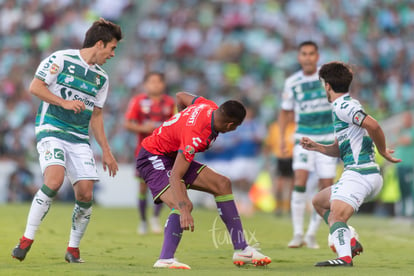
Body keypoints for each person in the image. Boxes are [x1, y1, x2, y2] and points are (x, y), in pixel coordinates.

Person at [11, 18, 122, 263]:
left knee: (85, 193)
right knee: (54, 179)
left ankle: (73, 249)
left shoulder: (101, 78)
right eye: (112, 48)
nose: (113, 54)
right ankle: (26, 239)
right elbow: (35, 87)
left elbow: (97, 115)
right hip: (51, 128)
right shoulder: (61, 59)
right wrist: (64, 102)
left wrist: (106, 150)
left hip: (79, 138)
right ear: (100, 43)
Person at [136, 92, 271, 269]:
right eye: (235, 127)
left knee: (222, 184)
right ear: (230, 125)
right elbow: (176, 175)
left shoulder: (209, 106)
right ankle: (165, 259)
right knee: (181, 204)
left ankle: (242, 249)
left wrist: (180, 122)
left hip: (172, 154)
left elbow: (181, 96)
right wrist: (184, 211)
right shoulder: (196, 137)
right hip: (154, 157)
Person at [300, 61, 401, 266]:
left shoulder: (343, 105)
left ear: (327, 85)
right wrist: (317, 147)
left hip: (359, 174)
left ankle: (344, 257)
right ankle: (350, 241)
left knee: (336, 217)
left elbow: (373, 125)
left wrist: (382, 150)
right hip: (362, 174)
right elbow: (339, 149)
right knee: (319, 202)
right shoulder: (347, 106)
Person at [279, 41, 337, 249]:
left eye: (311, 54)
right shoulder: (292, 82)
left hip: (327, 138)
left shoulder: (328, 76)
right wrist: (281, 139)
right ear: (299, 57)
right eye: (304, 54)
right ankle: (297, 233)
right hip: (303, 137)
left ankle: (312, 233)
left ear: (317, 56)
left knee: (326, 186)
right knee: (300, 180)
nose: (308, 57)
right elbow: (285, 111)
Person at [124, 72, 175, 234]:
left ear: (163, 84)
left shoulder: (170, 102)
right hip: (143, 152)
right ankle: (143, 221)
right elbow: (127, 124)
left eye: (158, 82)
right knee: (142, 187)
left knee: (164, 186)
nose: (155, 85)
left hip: (164, 152)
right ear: (145, 85)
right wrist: (144, 128)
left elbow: (176, 124)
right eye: (151, 82)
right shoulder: (138, 101)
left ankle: (155, 217)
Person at [264, 119, 295, 216]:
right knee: (279, 184)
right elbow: (268, 144)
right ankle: (278, 206)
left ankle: (289, 207)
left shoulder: (295, 126)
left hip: (293, 157)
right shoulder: (274, 127)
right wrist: (267, 159)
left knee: (292, 185)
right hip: (279, 158)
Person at [395, 111, 414, 217]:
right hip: (400, 164)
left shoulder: (411, 131)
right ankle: (402, 211)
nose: (405, 121)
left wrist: (398, 135)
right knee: (401, 188)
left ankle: (410, 212)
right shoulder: (402, 131)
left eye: (407, 119)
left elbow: (407, 141)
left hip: (408, 164)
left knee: (409, 189)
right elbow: (395, 143)